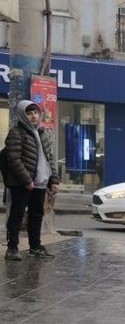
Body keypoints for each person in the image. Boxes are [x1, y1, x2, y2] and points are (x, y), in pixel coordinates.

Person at [4, 100, 59, 260]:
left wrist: (53, 179)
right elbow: (13, 159)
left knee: (36, 215)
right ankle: (12, 248)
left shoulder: (42, 133)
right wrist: (27, 180)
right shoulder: (16, 133)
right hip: (22, 183)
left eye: (35, 112)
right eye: (29, 113)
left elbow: (49, 159)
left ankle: (35, 247)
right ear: (22, 115)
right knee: (17, 214)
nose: (33, 116)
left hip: (41, 183)